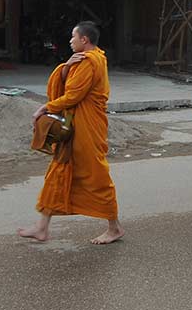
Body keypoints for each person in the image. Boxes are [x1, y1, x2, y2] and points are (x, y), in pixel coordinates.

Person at [18, 21, 123, 245]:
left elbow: (73, 95)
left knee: (96, 176)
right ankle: (41, 227)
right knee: (58, 172)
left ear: (84, 40)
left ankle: (114, 228)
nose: (70, 41)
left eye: (73, 37)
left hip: (86, 129)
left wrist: (45, 108)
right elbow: (69, 85)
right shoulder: (87, 59)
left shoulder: (90, 61)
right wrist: (66, 67)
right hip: (76, 127)